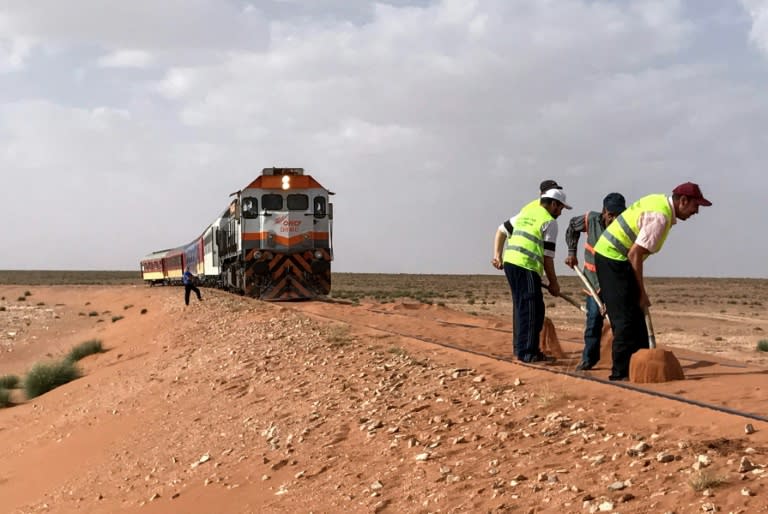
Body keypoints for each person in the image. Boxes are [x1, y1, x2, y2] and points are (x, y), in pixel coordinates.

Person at [593, 182, 712, 380]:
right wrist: (641, 292)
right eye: (695, 206)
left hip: (617, 259)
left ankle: (642, 368)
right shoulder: (660, 217)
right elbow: (635, 255)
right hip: (613, 258)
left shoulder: (658, 202)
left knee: (637, 318)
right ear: (683, 201)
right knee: (625, 320)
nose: (696, 211)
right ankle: (620, 374)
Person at [491, 188, 572, 362]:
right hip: (525, 266)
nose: (560, 212)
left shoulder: (526, 213)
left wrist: (497, 255)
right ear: (552, 204)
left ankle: (525, 349)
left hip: (512, 263)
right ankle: (527, 353)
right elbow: (547, 257)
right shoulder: (550, 222)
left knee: (533, 307)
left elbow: (501, 230)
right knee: (529, 309)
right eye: (560, 208)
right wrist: (554, 283)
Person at [564, 192, 627, 371]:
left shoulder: (625, 229)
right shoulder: (590, 220)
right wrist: (571, 253)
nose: (615, 219)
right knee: (593, 320)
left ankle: (622, 362)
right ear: (604, 212)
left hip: (614, 283)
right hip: (593, 283)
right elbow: (571, 228)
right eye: (611, 215)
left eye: (619, 215)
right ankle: (589, 359)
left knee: (619, 324)